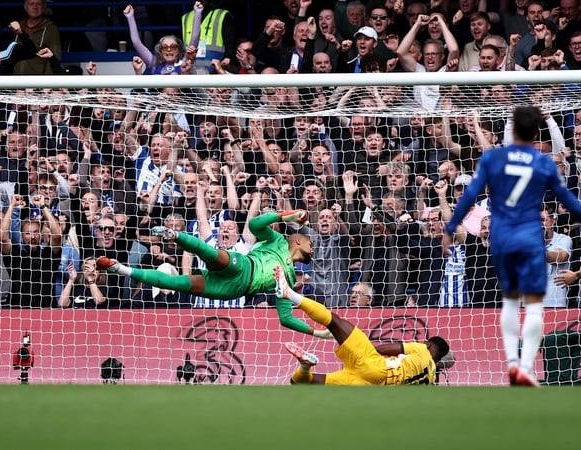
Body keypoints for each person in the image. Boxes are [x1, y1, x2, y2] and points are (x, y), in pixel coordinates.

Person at [443, 106, 581, 387]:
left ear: (514, 129)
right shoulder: (543, 163)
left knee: (509, 301)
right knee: (533, 305)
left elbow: (470, 195)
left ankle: (512, 364)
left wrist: (449, 227)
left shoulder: (494, 158)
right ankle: (526, 368)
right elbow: (567, 200)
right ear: (535, 133)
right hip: (530, 238)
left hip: (503, 238)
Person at [97, 209, 318, 335]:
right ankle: (175, 235)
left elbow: (286, 318)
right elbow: (255, 223)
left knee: (177, 283)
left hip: (232, 289)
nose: (313, 247)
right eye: (311, 242)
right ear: (298, 239)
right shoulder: (277, 240)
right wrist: (284, 216)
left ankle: (121, 268)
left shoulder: (288, 280)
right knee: (211, 254)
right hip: (243, 267)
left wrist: (316, 332)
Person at [275, 265, 451, 385]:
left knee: (335, 321)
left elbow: (383, 348)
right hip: (370, 387)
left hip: (376, 367)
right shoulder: (429, 378)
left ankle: (289, 293)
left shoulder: (422, 350)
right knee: (304, 382)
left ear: (428, 344)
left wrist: (359, 349)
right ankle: (305, 366)